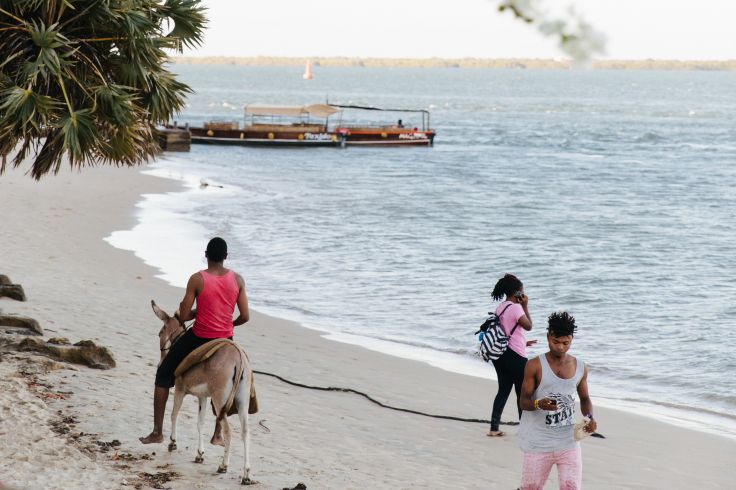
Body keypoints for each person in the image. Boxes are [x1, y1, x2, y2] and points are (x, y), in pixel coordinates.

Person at [140, 237, 250, 445]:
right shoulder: (238, 280)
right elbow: (245, 316)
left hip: (199, 337)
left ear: (206, 255)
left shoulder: (197, 279)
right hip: (226, 338)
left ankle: (157, 432)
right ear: (226, 257)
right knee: (233, 377)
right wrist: (229, 324)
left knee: (163, 373)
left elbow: (182, 315)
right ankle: (217, 435)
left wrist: (195, 312)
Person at [518, 311, 597, 490]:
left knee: (571, 486)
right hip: (538, 442)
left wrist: (590, 417)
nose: (560, 347)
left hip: (568, 441)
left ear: (571, 340)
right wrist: (539, 404)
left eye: (565, 343)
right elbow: (523, 401)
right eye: (556, 342)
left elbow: (585, 398)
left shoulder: (580, 367)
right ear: (548, 337)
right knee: (530, 487)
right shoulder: (534, 365)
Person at [487, 273, 535, 437]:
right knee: (522, 393)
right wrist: (526, 306)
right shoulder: (516, 308)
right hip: (516, 356)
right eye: (522, 292)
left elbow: (506, 331)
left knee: (503, 390)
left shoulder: (501, 307)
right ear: (518, 293)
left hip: (500, 354)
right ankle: (524, 430)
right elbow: (528, 326)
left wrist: (524, 342)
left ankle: (494, 428)